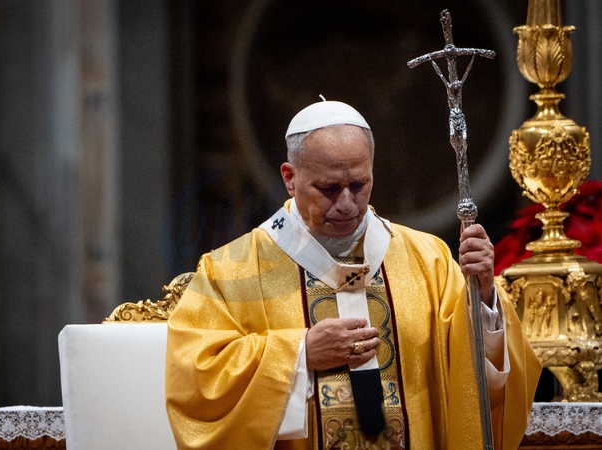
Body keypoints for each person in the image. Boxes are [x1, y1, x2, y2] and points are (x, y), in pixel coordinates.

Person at [165, 100, 541, 450]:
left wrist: (483, 294)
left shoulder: (430, 261)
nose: (347, 204)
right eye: (329, 188)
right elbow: (197, 380)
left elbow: (471, 382)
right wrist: (299, 354)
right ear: (290, 178)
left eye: (359, 185)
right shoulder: (231, 271)